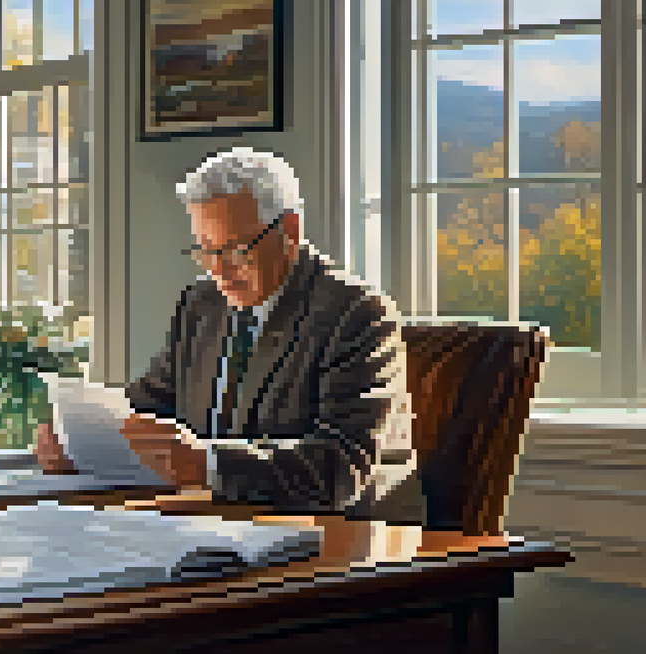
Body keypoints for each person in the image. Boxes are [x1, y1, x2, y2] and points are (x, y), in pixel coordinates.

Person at [36, 147, 424, 523]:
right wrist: (82, 444)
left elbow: (340, 467)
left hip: (354, 539)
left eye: (236, 250)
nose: (219, 270)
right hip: (225, 525)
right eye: (206, 251)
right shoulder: (200, 305)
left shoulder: (357, 314)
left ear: (290, 230)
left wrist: (209, 464)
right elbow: (147, 407)